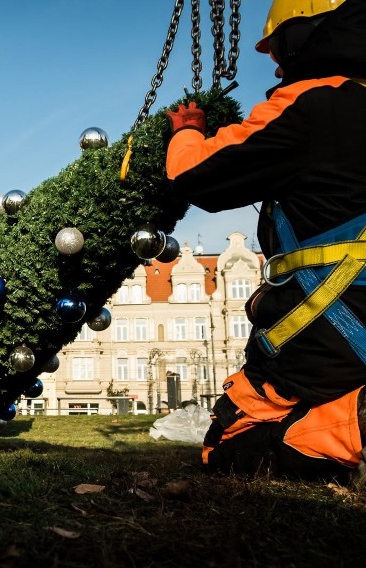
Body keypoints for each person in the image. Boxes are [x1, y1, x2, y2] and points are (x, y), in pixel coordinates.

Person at [165, 0, 366, 481]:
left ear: (305, 36)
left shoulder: (315, 103)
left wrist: (188, 131)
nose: (274, 63)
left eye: (277, 48)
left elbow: (195, 176)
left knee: (235, 440)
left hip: (332, 325)